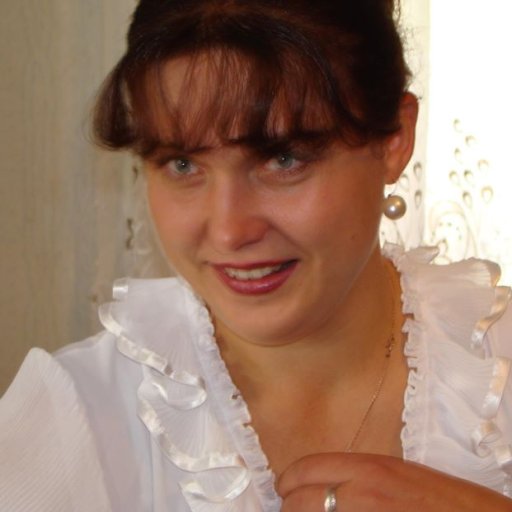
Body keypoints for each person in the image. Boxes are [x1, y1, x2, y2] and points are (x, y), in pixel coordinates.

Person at [1, 1, 512, 510]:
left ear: (394, 141)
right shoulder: (73, 420)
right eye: (183, 164)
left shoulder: (496, 367)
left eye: (282, 159)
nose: (229, 232)